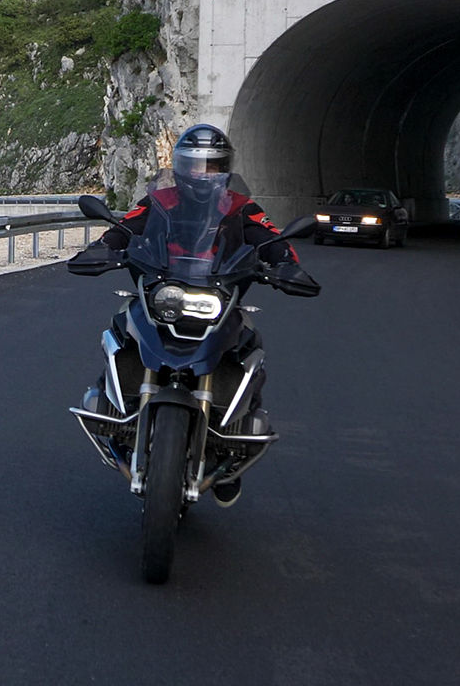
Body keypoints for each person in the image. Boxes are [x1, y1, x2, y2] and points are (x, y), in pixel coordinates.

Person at [69, 123, 317, 504]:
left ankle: (234, 444)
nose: (204, 174)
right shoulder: (160, 201)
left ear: (225, 168)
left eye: (212, 166)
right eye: (195, 165)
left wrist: (286, 265)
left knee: (248, 345)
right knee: (123, 325)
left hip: (218, 294)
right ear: (180, 166)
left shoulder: (240, 207)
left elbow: (270, 238)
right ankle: (112, 403)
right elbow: (125, 227)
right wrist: (103, 249)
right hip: (162, 290)